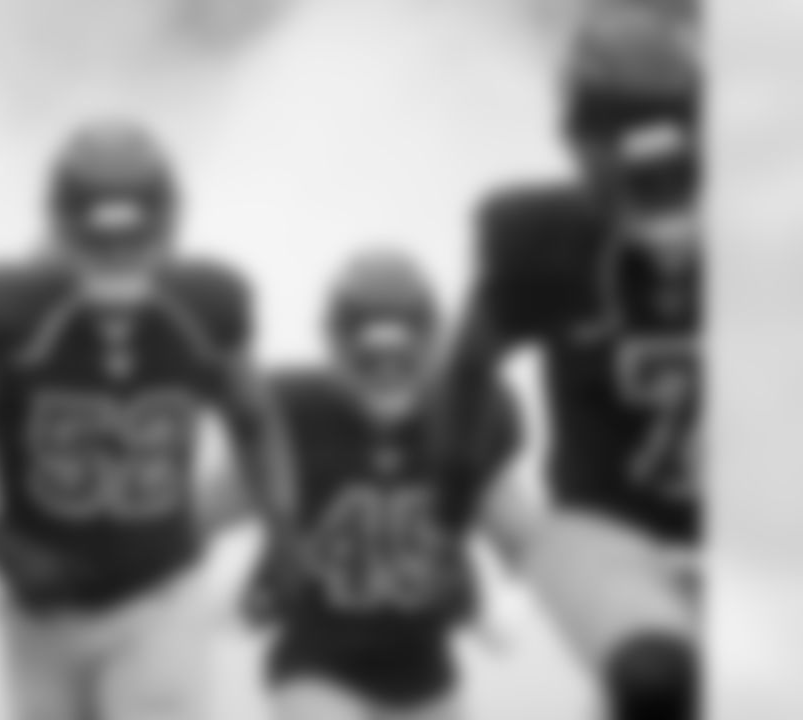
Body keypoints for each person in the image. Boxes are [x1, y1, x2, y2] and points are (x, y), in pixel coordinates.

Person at [0, 118, 289, 720]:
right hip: (42, 613)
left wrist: (274, 534)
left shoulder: (193, 314)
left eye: (131, 245)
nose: (114, 267)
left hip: (155, 597)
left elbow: (256, 428)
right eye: (98, 249)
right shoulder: (9, 330)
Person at [452, 7, 703, 719]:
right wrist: (488, 519)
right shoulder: (548, 242)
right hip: (607, 531)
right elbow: (459, 388)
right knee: (657, 682)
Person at [244, 250, 539, 720]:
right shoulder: (293, 411)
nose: (385, 373)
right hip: (317, 665)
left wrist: (513, 596)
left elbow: (523, 539)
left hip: (426, 675)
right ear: (334, 345)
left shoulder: (469, 415)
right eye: (369, 359)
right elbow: (199, 516)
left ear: (432, 345)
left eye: (402, 358)